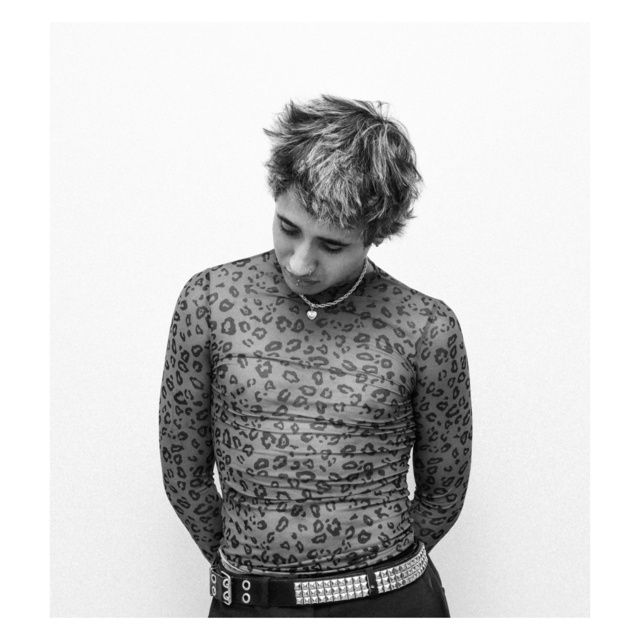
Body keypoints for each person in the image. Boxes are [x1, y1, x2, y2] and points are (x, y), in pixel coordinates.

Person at [158, 95, 473, 618]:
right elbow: (183, 473)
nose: (301, 262)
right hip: (250, 606)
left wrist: (370, 580)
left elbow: (444, 492)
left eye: (331, 246)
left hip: (390, 604)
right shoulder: (209, 301)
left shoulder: (426, 327)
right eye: (288, 228)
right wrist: (255, 578)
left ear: (375, 235)